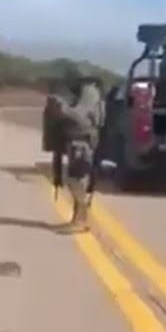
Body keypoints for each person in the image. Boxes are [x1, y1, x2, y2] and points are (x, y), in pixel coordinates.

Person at [48, 69, 105, 232]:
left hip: (83, 141)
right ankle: (77, 218)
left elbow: (80, 116)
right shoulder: (87, 91)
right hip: (78, 141)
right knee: (76, 179)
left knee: (77, 180)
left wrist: (62, 108)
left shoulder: (89, 92)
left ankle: (80, 220)